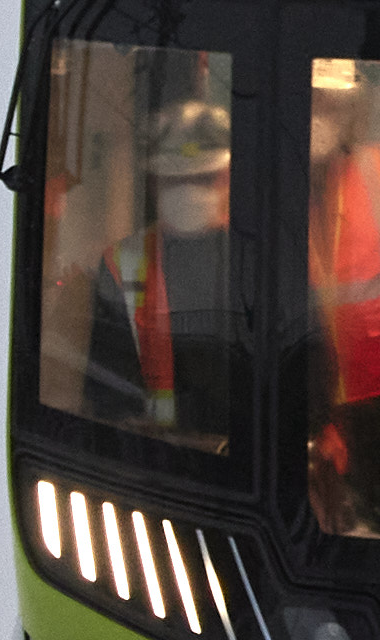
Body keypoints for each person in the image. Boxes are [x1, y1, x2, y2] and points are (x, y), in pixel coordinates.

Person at [67, 90, 248, 444]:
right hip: (156, 458)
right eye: (175, 179)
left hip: (244, 455)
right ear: (153, 182)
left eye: (203, 178)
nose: (189, 192)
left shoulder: (259, 258)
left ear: (227, 176)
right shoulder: (121, 262)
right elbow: (105, 389)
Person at [307, 64, 380, 533]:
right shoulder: (262, 175)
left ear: (349, 108)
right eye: (312, 99)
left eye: (330, 101)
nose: (320, 113)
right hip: (306, 395)